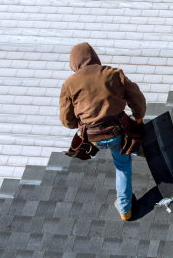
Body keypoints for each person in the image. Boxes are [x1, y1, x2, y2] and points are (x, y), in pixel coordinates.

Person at [59, 42, 146, 221]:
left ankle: (138, 150)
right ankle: (124, 209)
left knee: (119, 147)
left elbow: (67, 121)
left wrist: (85, 123)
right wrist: (138, 118)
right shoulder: (113, 73)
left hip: (92, 137)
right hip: (117, 132)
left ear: (74, 63)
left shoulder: (69, 85)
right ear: (94, 57)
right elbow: (137, 99)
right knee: (122, 164)